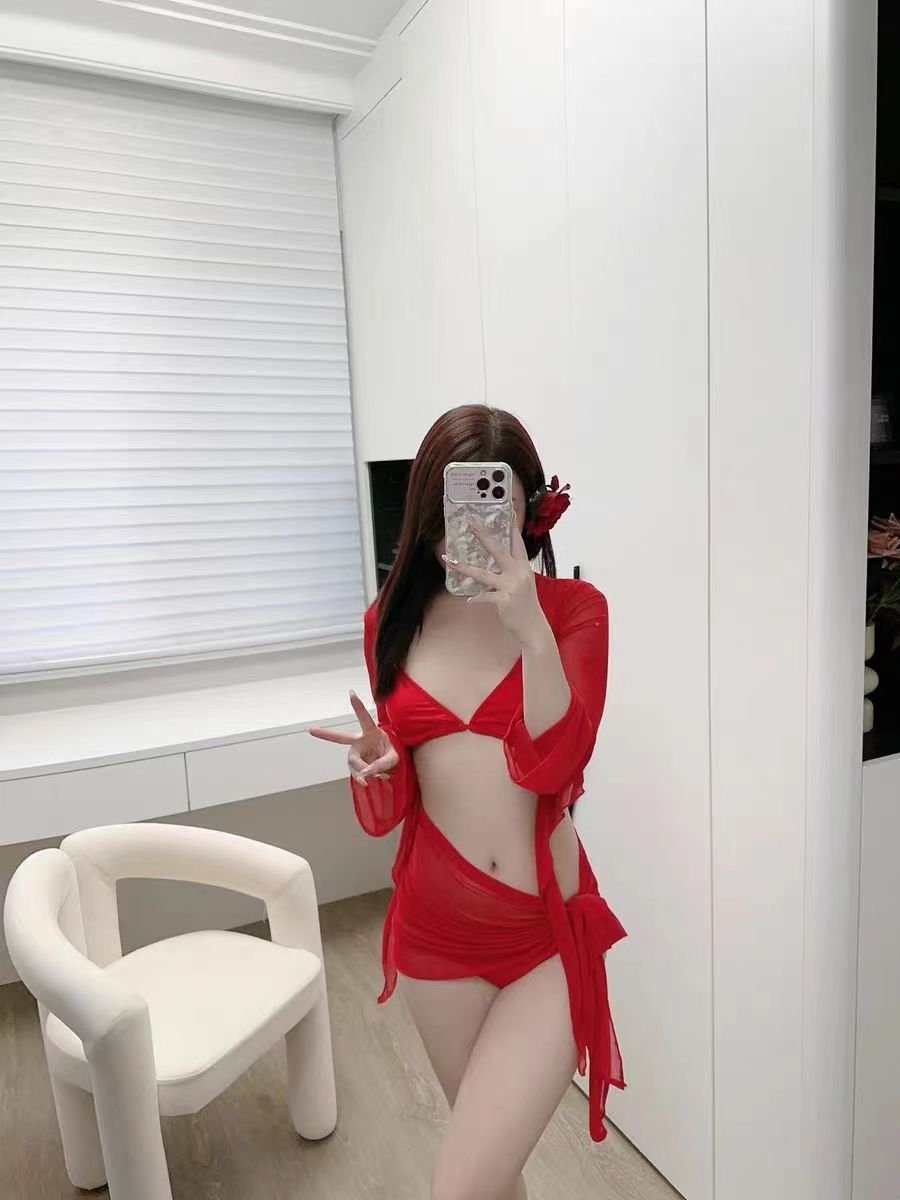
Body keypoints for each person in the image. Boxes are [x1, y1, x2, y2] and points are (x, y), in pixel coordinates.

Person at [309, 405, 626, 1200]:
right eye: (461, 508)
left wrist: (531, 631)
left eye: (500, 508)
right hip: (435, 934)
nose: (481, 528)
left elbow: (557, 765)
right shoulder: (391, 622)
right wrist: (379, 765)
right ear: (430, 513)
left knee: (459, 1186)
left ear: (528, 512)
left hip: (544, 938)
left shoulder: (574, 612)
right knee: (492, 1177)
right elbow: (403, 802)